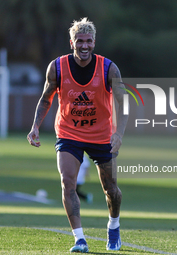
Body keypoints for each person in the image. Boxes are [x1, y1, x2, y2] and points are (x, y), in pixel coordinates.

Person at [27, 17, 128, 253]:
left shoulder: (108, 68)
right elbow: (46, 98)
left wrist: (119, 134)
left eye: (88, 41)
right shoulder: (57, 67)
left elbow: (123, 103)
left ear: (94, 42)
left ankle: (114, 226)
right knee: (67, 182)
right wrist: (35, 127)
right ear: (71, 42)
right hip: (68, 132)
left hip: (101, 134)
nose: (84, 46)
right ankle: (79, 239)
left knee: (111, 188)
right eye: (79, 41)